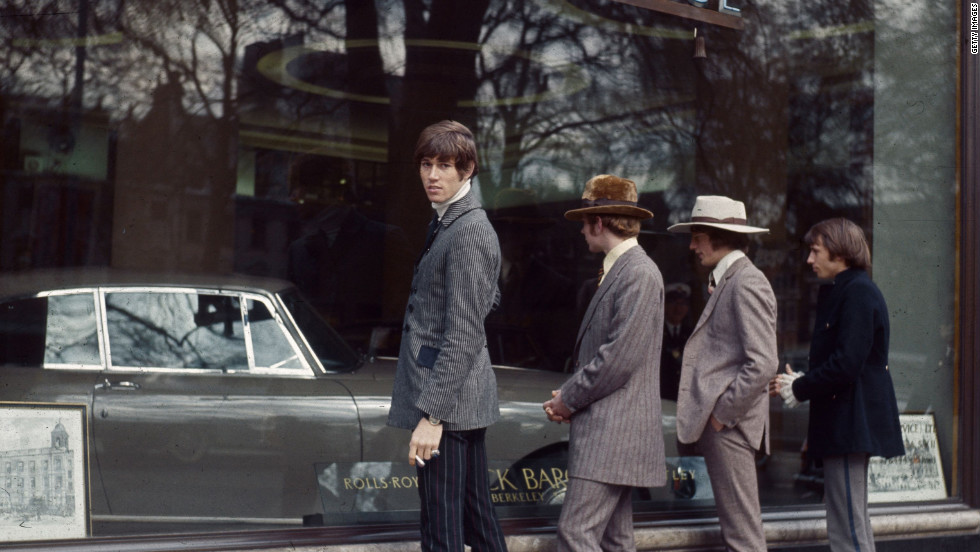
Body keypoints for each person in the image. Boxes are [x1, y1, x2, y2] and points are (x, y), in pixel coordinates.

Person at [387, 120, 507, 552]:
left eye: (444, 165)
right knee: (476, 520)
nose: (432, 175)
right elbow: (482, 303)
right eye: (425, 164)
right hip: (458, 398)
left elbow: (464, 332)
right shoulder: (448, 222)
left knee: (442, 532)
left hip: (449, 405)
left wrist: (432, 416)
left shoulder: (469, 229)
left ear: (468, 169)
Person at [542, 174, 666, 552]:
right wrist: (571, 396)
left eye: (584, 222)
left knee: (576, 535)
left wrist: (568, 397)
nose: (581, 231)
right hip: (615, 435)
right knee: (615, 541)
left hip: (611, 436)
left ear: (599, 222)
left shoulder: (638, 272)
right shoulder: (629, 270)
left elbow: (617, 358)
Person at [769, 218, 904, 552]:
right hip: (846, 423)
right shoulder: (851, 289)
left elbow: (846, 364)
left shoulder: (856, 291)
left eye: (816, 251)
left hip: (848, 425)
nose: (809, 260)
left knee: (848, 527)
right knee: (848, 521)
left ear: (839, 252)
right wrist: (801, 383)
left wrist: (799, 388)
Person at [667, 195, 778, 552]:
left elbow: (763, 363)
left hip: (730, 428)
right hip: (727, 426)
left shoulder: (745, 281)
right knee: (739, 532)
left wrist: (720, 416)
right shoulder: (731, 278)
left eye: (697, 235)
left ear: (719, 235)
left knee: (742, 536)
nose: (692, 245)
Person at [660, 282, 692, 403]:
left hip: (684, 401)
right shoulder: (656, 332)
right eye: (674, 303)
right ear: (665, 305)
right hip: (661, 398)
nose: (678, 309)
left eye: (683, 304)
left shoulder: (691, 334)